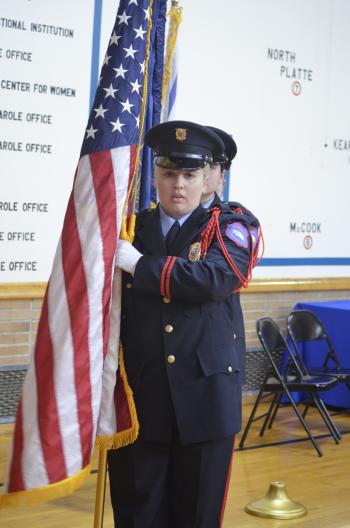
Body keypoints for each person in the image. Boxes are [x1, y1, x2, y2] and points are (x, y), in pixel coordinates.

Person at [107, 120, 260, 527]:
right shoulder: (130, 230)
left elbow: (214, 279)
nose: (178, 185)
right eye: (169, 173)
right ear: (154, 176)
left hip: (205, 398)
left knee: (195, 515)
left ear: (208, 177)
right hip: (141, 397)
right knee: (138, 512)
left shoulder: (231, 227)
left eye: (189, 175)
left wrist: (140, 266)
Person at [201, 126, 237, 208]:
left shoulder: (233, 219)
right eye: (198, 166)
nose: (203, 174)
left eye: (211, 167)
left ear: (222, 174)